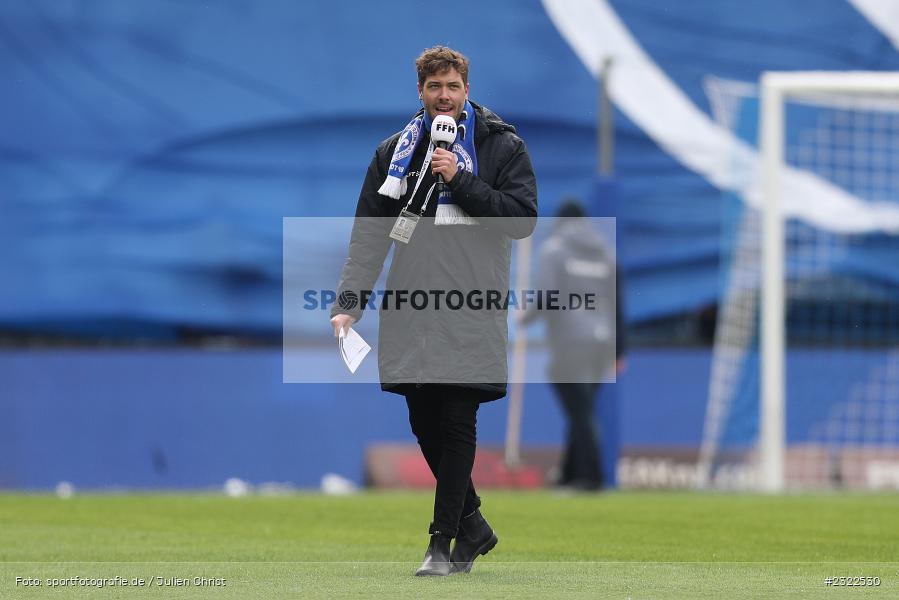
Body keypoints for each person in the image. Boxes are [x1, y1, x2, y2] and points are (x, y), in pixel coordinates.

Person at [329, 46, 537, 576]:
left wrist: (460, 180)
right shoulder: (393, 152)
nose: (443, 96)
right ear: (420, 92)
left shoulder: (500, 144)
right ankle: (474, 526)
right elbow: (370, 235)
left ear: (467, 88)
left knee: (456, 415)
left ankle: (441, 544)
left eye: (452, 86)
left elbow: (521, 219)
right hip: (412, 303)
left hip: (471, 301)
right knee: (423, 419)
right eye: (433, 87)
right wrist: (349, 303)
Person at [520, 199, 625, 491]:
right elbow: (618, 303)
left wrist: (524, 319)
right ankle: (569, 474)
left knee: (580, 411)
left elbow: (548, 296)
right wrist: (620, 349)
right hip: (602, 341)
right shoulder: (606, 253)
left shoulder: (555, 249)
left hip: (571, 340)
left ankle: (591, 477)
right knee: (582, 408)